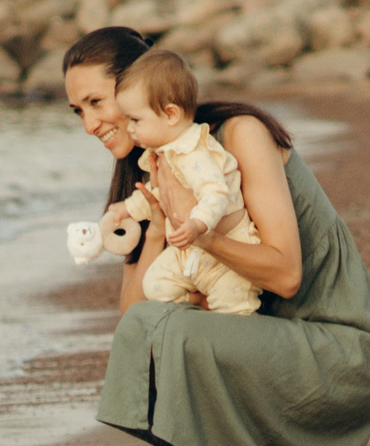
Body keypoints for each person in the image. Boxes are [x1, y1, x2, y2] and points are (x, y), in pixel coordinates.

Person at [61, 26, 370, 446]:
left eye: (95, 102)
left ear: (142, 87)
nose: (89, 124)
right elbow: (136, 325)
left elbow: (285, 274)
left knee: (174, 331)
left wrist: (200, 234)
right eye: (77, 111)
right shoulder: (152, 170)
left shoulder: (238, 136)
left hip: (339, 351)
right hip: (274, 348)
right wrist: (159, 226)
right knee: (153, 332)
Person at [105, 47, 263, 316]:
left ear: (170, 115)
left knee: (234, 306)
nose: (129, 129)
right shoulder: (164, 154)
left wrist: (197, 225)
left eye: (135, 120)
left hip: (228, 253)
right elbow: (157, 195)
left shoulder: (194, 153)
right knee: (154, 286)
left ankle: (241, 340)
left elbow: (215, 192)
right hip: (190, 253)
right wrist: (128, 209)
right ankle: (196, 305)